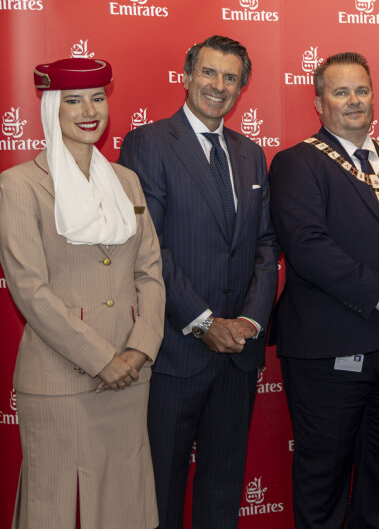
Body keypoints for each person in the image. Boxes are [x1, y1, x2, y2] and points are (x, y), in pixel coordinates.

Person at [269, 51, 379, 529]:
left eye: (361, 90)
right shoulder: (296, 163)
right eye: (340, 92)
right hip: (330, 348)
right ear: (319, 101)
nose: (353, 101)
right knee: (324, 482)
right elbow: (307, 246)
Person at [117, 36, 279, 529]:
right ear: (186, 75)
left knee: (223, 492)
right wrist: (203, 321)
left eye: (231, 78)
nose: (218, 86)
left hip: (237, 357)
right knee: (161, 492)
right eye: (209, 73)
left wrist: (249, 322)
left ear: (242, 87)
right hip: (174, 352)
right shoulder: (148, 143)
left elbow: (266, 246)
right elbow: (150, 247)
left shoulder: (252, 155)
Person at [0, 58, 164, 528]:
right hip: (61, 379)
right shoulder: (19, 186)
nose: (88, 110)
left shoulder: (125, 180)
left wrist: (138, 349)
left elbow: (149, 271)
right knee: (54, 507)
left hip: (129, 378)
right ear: (52, 107)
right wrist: (101, 359)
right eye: (73, 100)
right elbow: (29, 288)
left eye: (97, 97)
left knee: (123, 504)